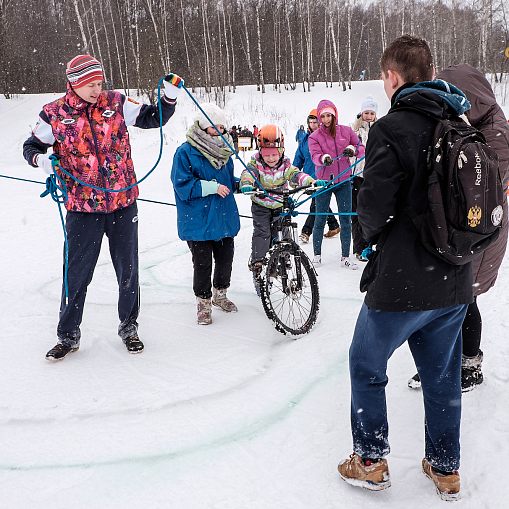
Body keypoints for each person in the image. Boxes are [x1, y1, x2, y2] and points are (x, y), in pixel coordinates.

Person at [337, 35, 473, 501]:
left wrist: (368, 240)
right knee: (441, 378)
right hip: (455, 278)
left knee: (365, 363)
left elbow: (373, 206)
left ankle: (371, 460)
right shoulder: (457, 117)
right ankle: (445, 466)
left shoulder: (392, 128)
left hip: (402, 281)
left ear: (392, 77)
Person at [22, 54, 180, 361]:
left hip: (122, 203)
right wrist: (42, 160)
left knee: (128, 270)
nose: (97, 89)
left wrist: (169, 98)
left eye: (99, 82)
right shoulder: (54, 113)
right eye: (90, 84)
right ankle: (68, 335)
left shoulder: (116, 103)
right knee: (76, 273)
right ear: (74, 84)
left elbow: (153, 117)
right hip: (82, 208)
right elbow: (31, 147)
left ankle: (129, 326)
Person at [408, 63, 509, 392]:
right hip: (457, 227)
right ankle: (440, 361)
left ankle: (470, 364)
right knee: (447, 297)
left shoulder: (495, 132)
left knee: (465, 299)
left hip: (482, 229)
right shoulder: (459, 124)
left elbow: (484, 185)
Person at [171, 104, 240, 325]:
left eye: (222, 127)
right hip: (198, 221)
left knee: (225, 259)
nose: (219, 131)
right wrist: (211, 187)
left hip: (223, 217)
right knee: (202, 264)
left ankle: (220, 295)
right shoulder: (185, 151)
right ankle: (203, 303)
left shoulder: (224, 152)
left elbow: (229, 181)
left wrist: (243, 184)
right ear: (203, 127)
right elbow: (181, 185)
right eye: (214, 127)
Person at [239, 124, 326, 276]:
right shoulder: (256, 164)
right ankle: (258, 261)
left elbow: (296, 175)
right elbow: (248, 173)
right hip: (261, 204)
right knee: (263, 232)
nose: (271, 158)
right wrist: (247, 183)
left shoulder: (285, 165)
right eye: (266, 155)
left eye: (274, 154)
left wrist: (310, 182)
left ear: (281, 151)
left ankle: (284, 254)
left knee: (285, 228)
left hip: (280, 204)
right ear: (260, 152)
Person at [308, 100, 365, 268]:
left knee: (345, 219)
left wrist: (353, 150)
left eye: (329, 115)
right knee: (320, 218)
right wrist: (322, 158)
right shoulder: (314, 136)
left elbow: (360, 147)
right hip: (324, 182)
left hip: (344, 180)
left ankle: (345, 257)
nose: (326, 119)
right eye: (323, 116)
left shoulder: (346, 131)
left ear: (334, 115)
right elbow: (314, 155)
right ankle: (317, 255)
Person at [293, 109, 340, 244]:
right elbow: (299, 157)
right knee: (320, 203)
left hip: (323, 176)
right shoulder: (305, 139)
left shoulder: (326, 137)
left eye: (315, 122)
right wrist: (295, 173)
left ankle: (306, 232)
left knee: (316, 204)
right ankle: (333, 225)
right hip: (309, 177)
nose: (313, 124)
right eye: (311, 122)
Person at [349, 95, 378, 261]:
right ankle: (359, 248)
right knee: (357, 213)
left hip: (374, 176)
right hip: (357, 176)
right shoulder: (354, 130)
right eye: (366, 112)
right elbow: (350, 149)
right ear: (361, 113)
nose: (369, 116)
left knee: (372, 213)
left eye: (372, 113)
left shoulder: (379, 129)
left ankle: (371, 245)